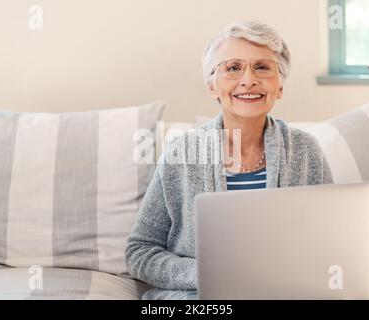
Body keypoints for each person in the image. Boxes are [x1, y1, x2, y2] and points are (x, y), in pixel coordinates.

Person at [125, 21, 334, 300]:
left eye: (262, 67)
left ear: (280, 85)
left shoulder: (306, 151)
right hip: (200, 296)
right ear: (213, 86)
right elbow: (140, 250)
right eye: (233, 68)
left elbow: (330, 243)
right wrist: (207, 275)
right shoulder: (181, 152)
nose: (248, 80)